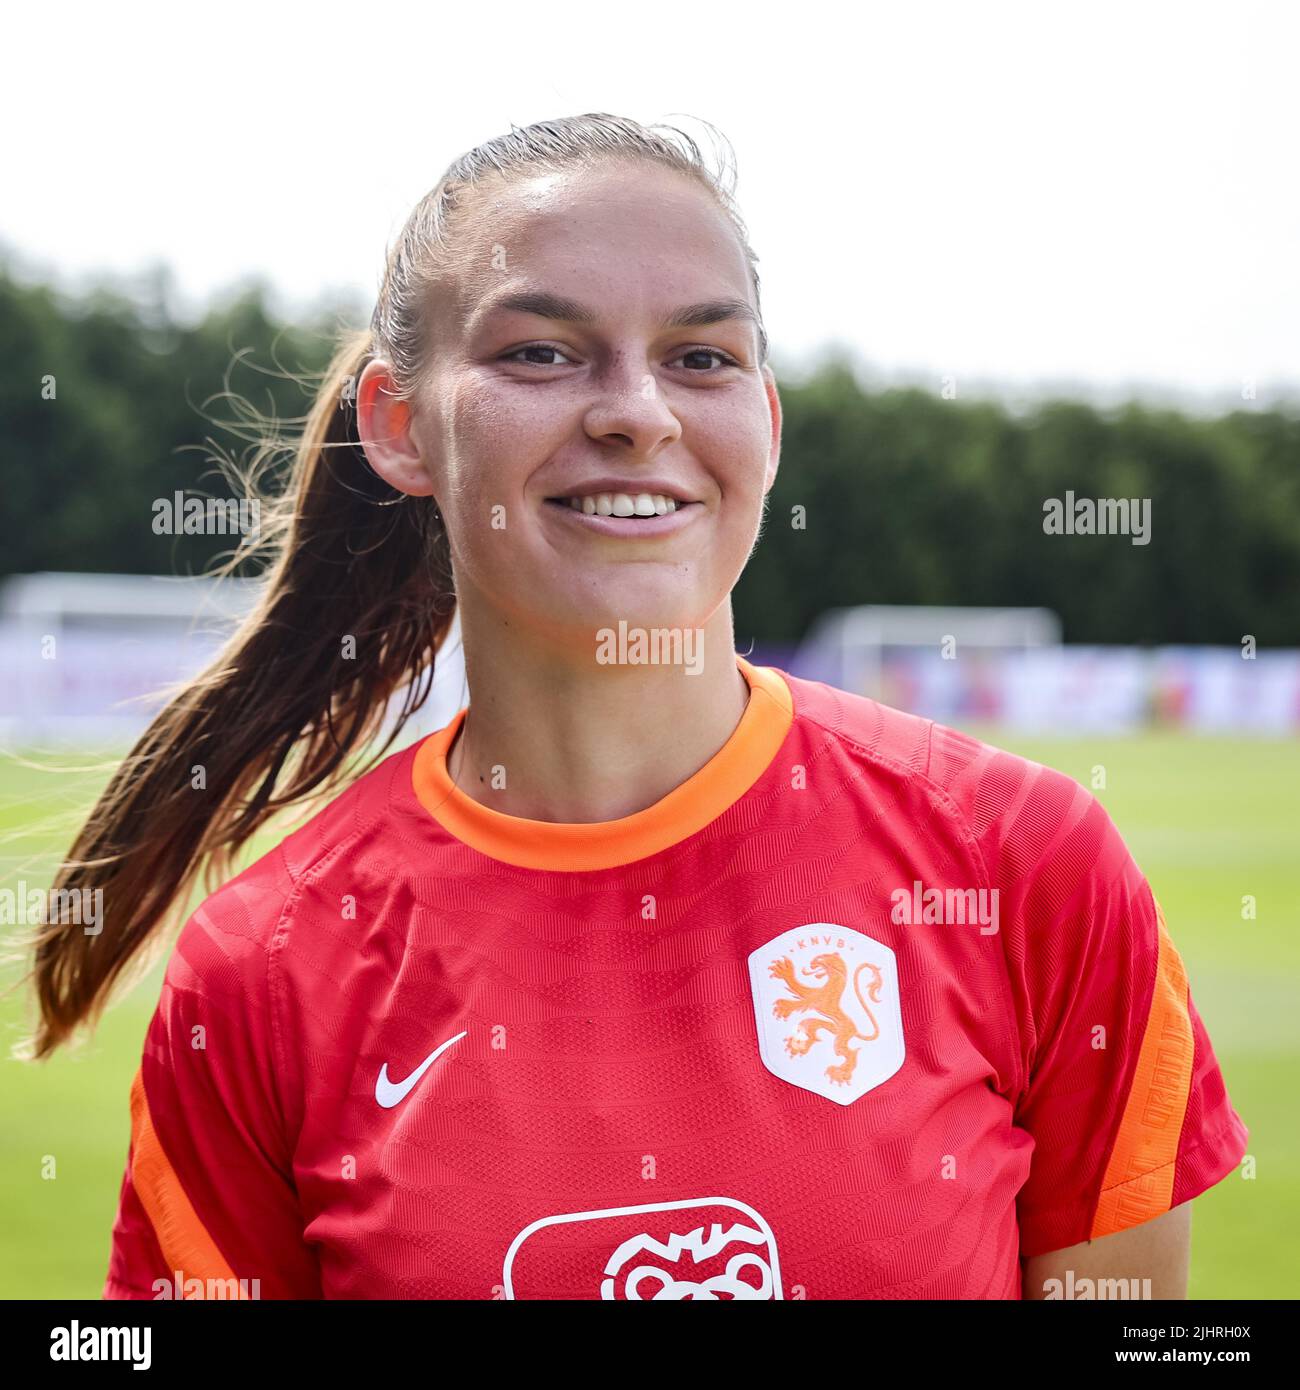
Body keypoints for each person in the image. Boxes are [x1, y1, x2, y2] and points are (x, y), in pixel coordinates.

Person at [27, 113, 1247, 1300]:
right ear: (400, 428)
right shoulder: (258, 972)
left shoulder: (1024, 865)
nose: (637, 410)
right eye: (541, 353)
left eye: (701, 357)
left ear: (765, 423)